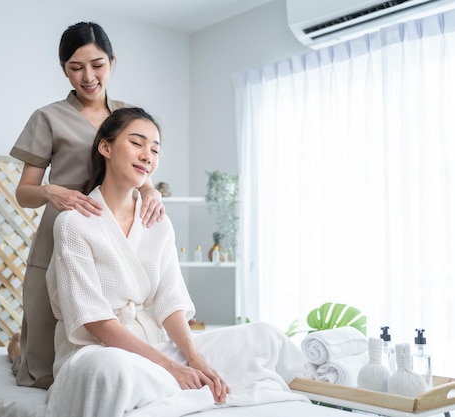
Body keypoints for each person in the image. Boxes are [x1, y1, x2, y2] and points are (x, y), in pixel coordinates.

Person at [43, 107, 309, 417]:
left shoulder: (156, 221)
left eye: (155, 149)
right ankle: (22, 350)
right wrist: (171, 368)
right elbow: (96, 321)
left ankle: (170, 381)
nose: (147, 155)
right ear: (106, 147)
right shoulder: (74, 223)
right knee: (111, 370)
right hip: (97, 352)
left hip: (152, 346)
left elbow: (169, 301)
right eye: (137, 143)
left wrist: (195, 359)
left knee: (261, 336)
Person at [7, 22, 164, 389]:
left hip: (113, 237)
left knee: (99, 346)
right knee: (41, 373)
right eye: (76, 67)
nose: (88, 76)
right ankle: (17, 352)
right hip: (62, 233)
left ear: (111, 62)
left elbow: (143, 166)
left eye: (97, 65)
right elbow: (24, 192)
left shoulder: (127, 115)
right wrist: (51, 192)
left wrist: (152, 191)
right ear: (64, 69)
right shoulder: (48, 117)